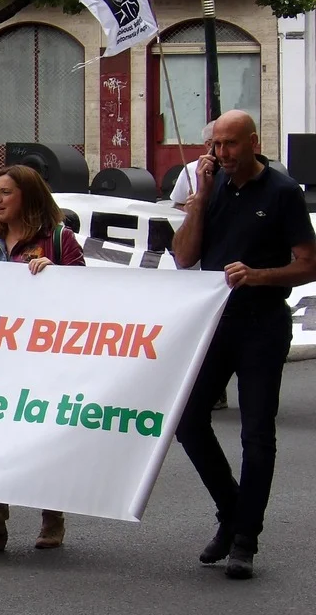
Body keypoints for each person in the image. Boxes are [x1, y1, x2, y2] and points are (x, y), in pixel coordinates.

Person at [172, 110, 316, 579]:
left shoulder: (282, 192)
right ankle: (231, 511)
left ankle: (245, 539)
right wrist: (200, 198)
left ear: (253, 143)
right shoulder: (211, 187)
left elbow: (308, 264)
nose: (222, 154)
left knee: (256, 433)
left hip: (262, 323)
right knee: (188, 422)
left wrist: (257, 276)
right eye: (215, 145)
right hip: (215, 323)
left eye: (231, 144)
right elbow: (184, 257)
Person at [0, 164, 85, 552]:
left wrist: (57, 273)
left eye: (6, 192)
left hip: (43, 356)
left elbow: (87, 296)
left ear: (29, 196)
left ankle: (52, 516)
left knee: (42, 436)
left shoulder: (59, 238)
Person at [169, 121, 229, 411]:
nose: (221, 151)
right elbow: (177, 206)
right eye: (215, 144)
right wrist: (194, 208)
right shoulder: (190, 171)